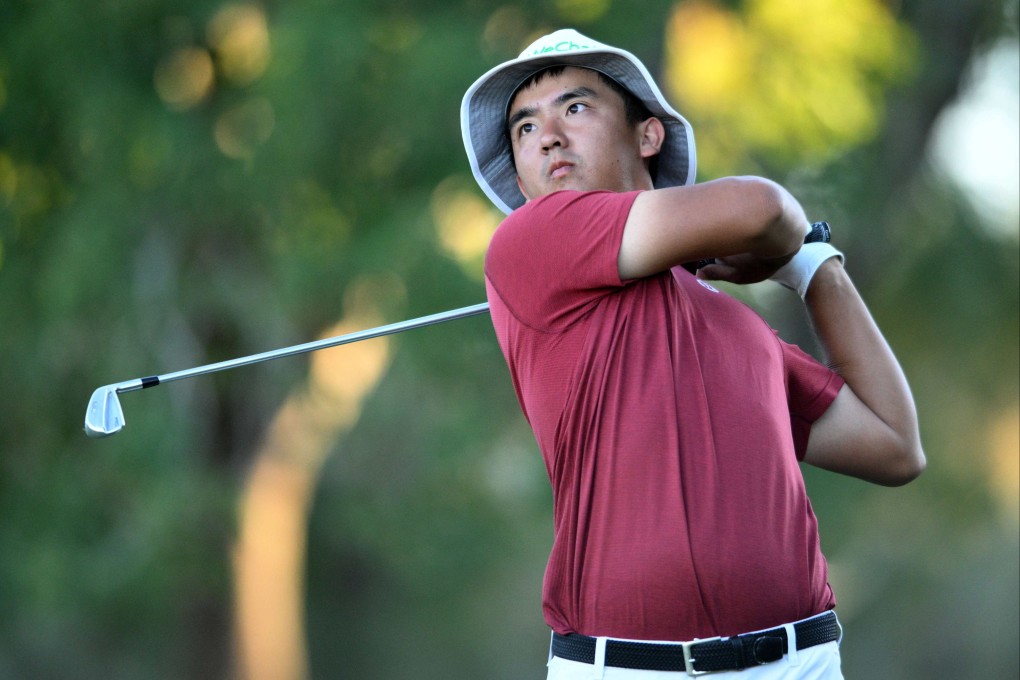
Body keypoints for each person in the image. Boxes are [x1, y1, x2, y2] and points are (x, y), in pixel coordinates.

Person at [460, 28, 925, 679]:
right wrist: (779, 243)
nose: (548, 136)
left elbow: (895, 446)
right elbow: (762, 207)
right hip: (628, 667)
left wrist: (814, 268)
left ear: (648, 135)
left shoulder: (737, 326)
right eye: (524, 127)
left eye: (575, 107)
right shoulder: (530, 242)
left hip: (802, 660)